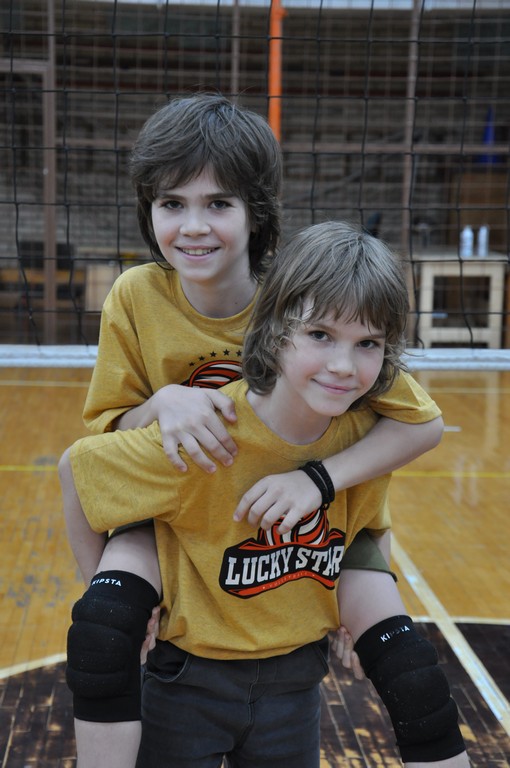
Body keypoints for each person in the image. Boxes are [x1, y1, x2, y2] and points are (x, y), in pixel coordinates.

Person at [60, 94, 459, 765]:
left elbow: (417, 419)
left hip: (314, 509)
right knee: (102, 629)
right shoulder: (135, 296)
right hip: (180, 497)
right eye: (172, 203)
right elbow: (105, 435)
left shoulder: (307, 301)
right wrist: (164, 402)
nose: (193, 227)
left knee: (409, 673)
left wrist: (318, 481)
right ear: (148, 209)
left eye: (218, 204)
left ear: (256, 212)